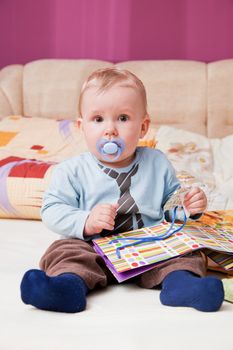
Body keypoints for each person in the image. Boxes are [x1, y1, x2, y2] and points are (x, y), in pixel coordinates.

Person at [20, 67, 224, 313]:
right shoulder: (71, 171)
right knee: (64, 251)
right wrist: (86, 220)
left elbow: (170, 203)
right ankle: (66, 288)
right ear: (81, 126)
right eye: (98, 119)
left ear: (143, 126)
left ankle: (182, 286)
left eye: (123, 118)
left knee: (185, 251)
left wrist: (187, 206)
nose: (110, 130)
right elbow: (52, 210)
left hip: (149, 245)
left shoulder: (157, 163)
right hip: (92, 245)